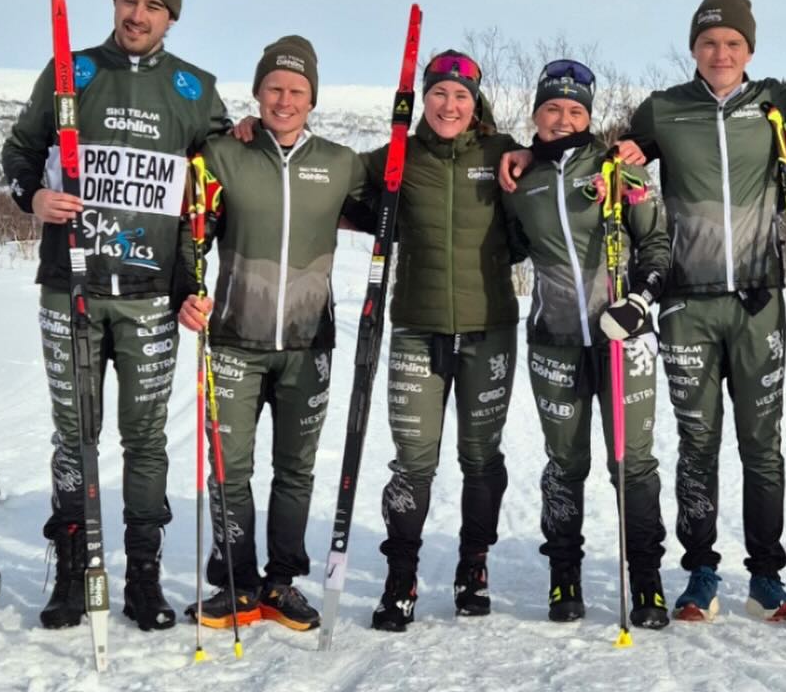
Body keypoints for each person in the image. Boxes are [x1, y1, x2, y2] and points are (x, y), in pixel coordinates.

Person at [504, 0, 786, 622]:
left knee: (763, 446)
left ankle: (767, 576)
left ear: (749, 49)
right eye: (708, 42)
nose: (721, 53)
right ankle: (700, 573)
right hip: (685, 307)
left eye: (732, 42)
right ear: (693, 48)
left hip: (758, 302)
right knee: (696, 443)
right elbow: (598, 153)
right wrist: (532, 151)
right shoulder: (664, 110)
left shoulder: (775, 103)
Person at [2, 0, 230, 633]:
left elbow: (213, 194)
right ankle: (75, 571)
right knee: (75, 434)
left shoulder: (194, 89)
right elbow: (19, 149)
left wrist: (192, 281)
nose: (138, 14)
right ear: (114, 2)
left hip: (149, 295)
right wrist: (34, 196)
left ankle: (143, 578)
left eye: (153, 5)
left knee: (146, 438)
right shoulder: (71, 72)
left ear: (171, 17)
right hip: (68, 284)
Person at [177, 36, 369, 632]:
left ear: (313, 99)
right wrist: (186, 289)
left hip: (308, 346)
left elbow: (396, 197)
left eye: (297, 91)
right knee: (228, 468)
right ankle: (235, 582)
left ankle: (281, 583)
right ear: (258, 93)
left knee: (295, 470)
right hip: (234, 339)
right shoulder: (222, 153)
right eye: (274, 88)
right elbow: (190, 233)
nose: (284, 101)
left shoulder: (339, 163)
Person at [501, 59, 672, 628]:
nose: (563, 119)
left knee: (633, 464)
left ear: (589, 117)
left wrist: (640, 301)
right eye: (552, 108)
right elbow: (508, 244)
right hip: (554, 341)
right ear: (536, 115)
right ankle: (564, 576)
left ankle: (646, 582)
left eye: (575, 111)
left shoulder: (618, 168)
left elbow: (657, 245)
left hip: (624, 338)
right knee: (565, 464)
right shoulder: (521, 181)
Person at [361, 50, 520, 631]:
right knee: (413, 461)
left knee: (480, 457)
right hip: (417, 328)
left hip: (489, 329)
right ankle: (400, 574)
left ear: (475, 104)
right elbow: (333, 179)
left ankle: (473, 563)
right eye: (439, 93)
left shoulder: (501, 154)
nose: (449, 105)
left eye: (461, 96)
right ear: (423, 99)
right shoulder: (397, 155)